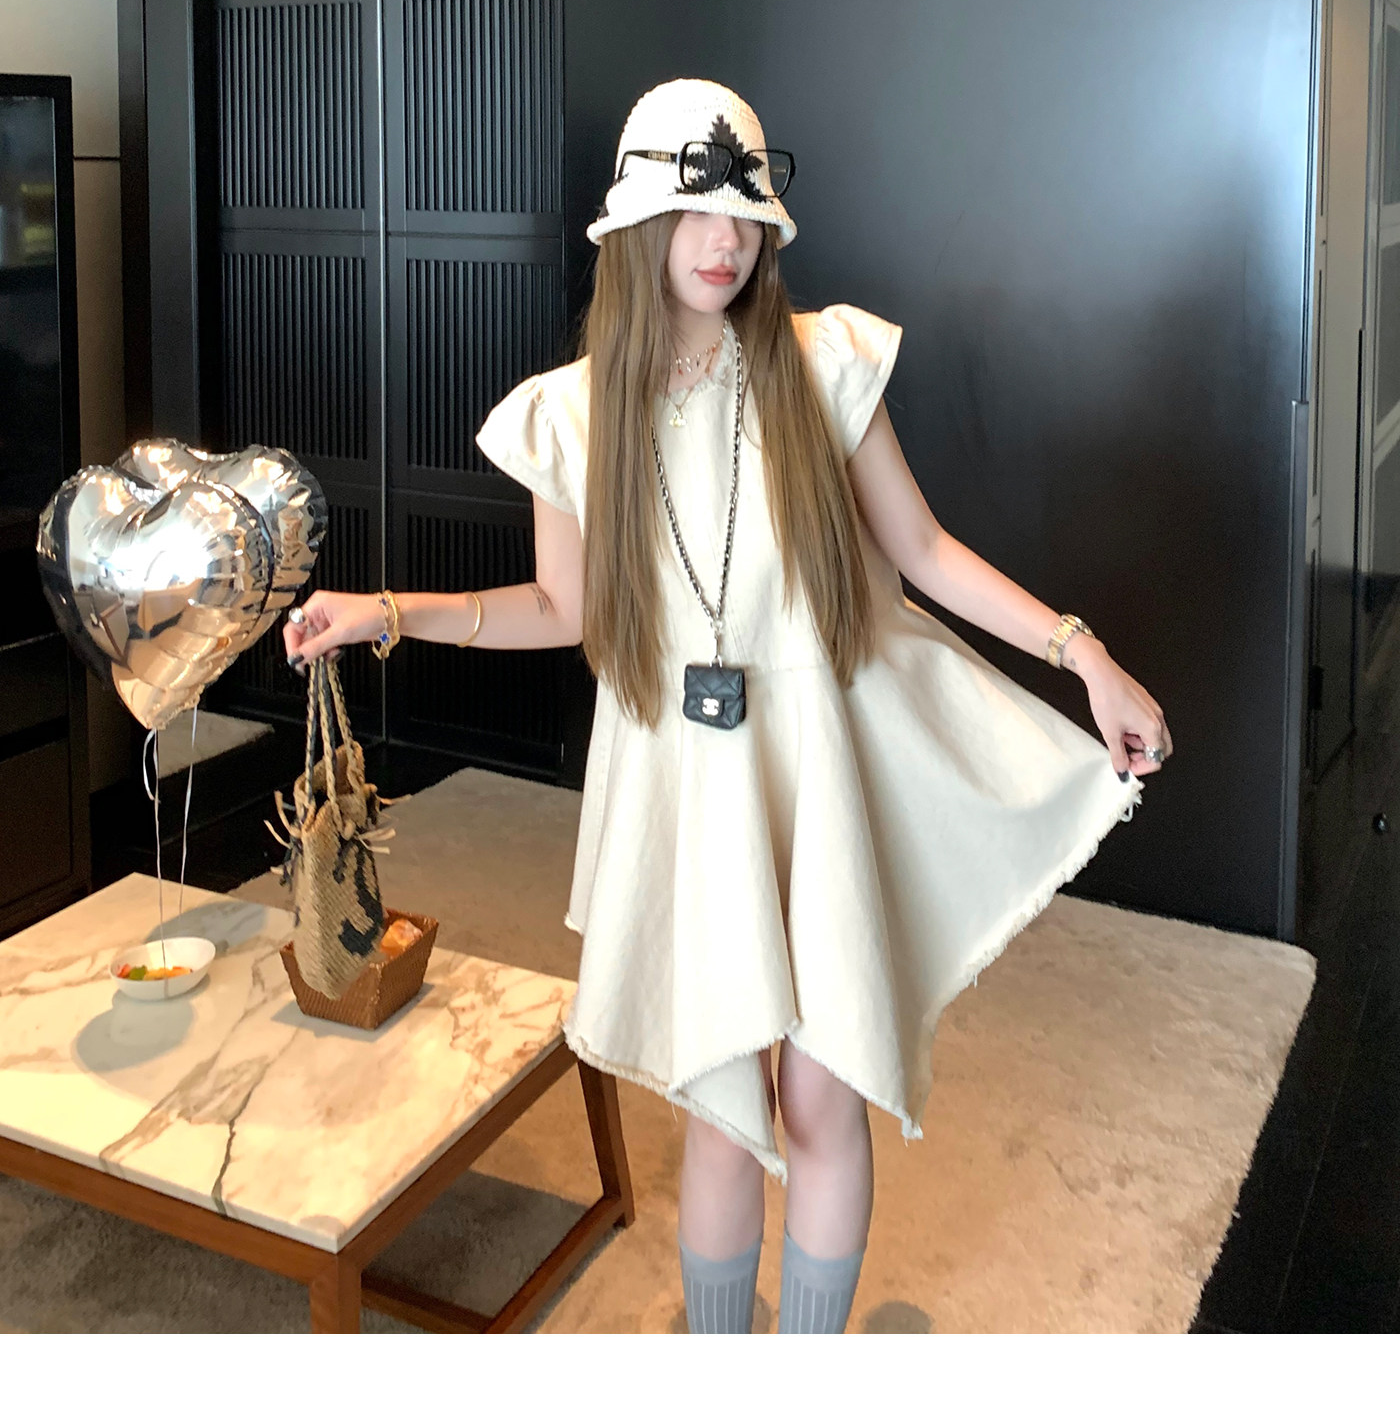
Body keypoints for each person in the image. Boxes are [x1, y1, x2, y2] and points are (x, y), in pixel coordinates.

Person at [284, 76, 1172, 1335]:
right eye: (694, 212)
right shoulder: (571, 411)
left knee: (820, 1093)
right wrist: (388, 611)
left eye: (744, 216)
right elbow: (562, 607)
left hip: (817, 760)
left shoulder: (820, 364)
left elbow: (921, 550)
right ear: (636, 227)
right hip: (687, 780)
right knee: (717, 1100)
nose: (723, 240)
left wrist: (1082, 654)